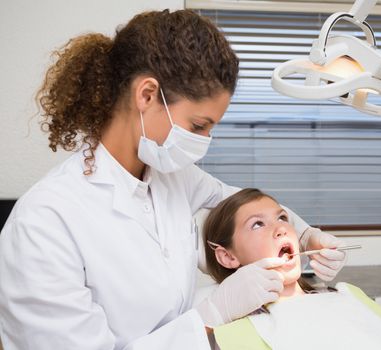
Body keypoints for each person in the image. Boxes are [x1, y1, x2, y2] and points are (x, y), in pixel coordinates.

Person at [0, 9, 347, 350]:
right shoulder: (45, 222)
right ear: (147, 95)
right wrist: (212, 314)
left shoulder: (173, 177)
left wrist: (307, 236)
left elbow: (252, 206)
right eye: (198, 126)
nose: (206, 141)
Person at [203, 188, 381, 350]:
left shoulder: (350, 295)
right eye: (257, 224)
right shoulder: (231, 334)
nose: (281, 228)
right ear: (227, 256)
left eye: (282, 217)